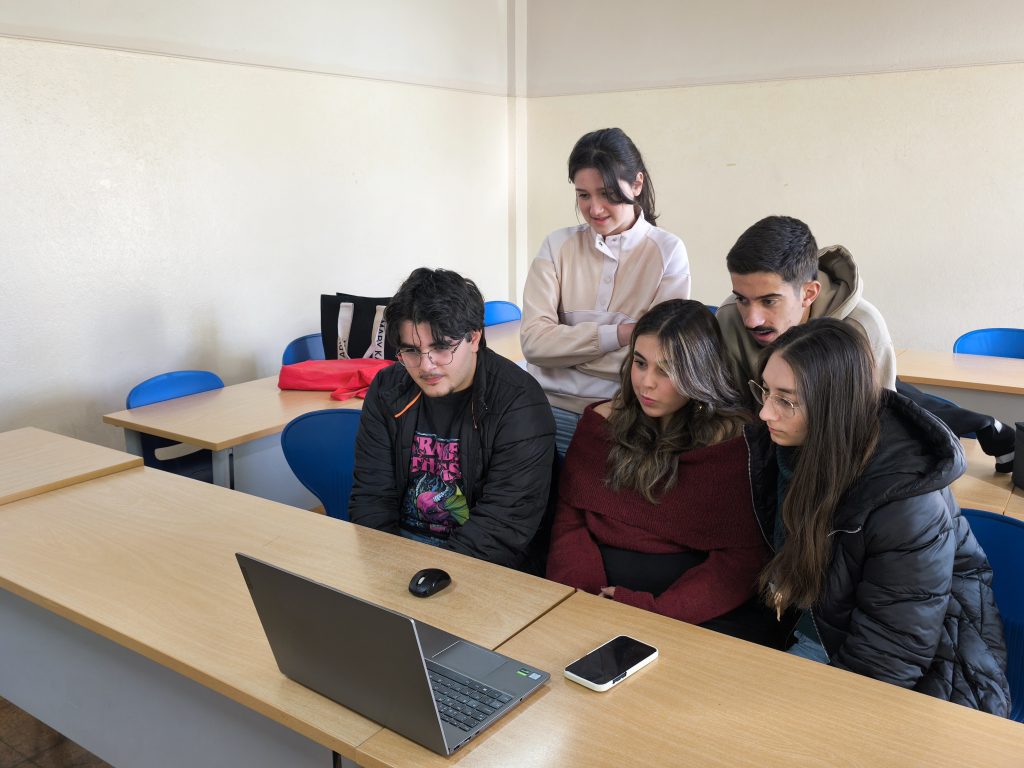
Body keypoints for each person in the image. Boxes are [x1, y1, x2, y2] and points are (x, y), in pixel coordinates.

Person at [748, 318, 1010, 715]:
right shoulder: (789, 452)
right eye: (765, 391)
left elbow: (889, 659)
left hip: (931, 669)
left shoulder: (905, 502)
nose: (765, 412)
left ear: (834, 406)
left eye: (786, 400)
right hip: (824, 627)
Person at [546, 300, 774, 640]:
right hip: (589, 597)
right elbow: (569, 520)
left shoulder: (734, 446)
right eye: (640, 363)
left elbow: (741, 562)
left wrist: (651, 611)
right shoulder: (600, 422)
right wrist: (584, 597)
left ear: (699, 373)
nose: (646, 383)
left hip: (687, 614)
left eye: (666, 371)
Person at [348, 268, 556, 570]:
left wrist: (432, 577)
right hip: (396, 559)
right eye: (411, 351)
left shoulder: (519, 403)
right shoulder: (387, 389)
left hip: (478, 569)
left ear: (474, 337)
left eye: (441, 348)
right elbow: (371, 499)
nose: (426, 366)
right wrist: (387, 568)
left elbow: (501, 527)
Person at [521, 128, 690, 455]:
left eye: (607, 193)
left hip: (622, 415)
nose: (595, 209)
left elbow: (656, 357)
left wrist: (565, 355)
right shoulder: (557, 245)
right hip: (544, 409)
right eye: (583, 195)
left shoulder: (668, 251)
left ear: (637, 184)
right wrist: (624, 334)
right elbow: (533, 345)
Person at [716, 215, 896, 389]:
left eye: (769, 301)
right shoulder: (728, 317)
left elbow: (879, 410)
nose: (751, 321)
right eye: (742, 299)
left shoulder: (862, 328)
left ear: (809, 294)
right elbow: (722, 406)